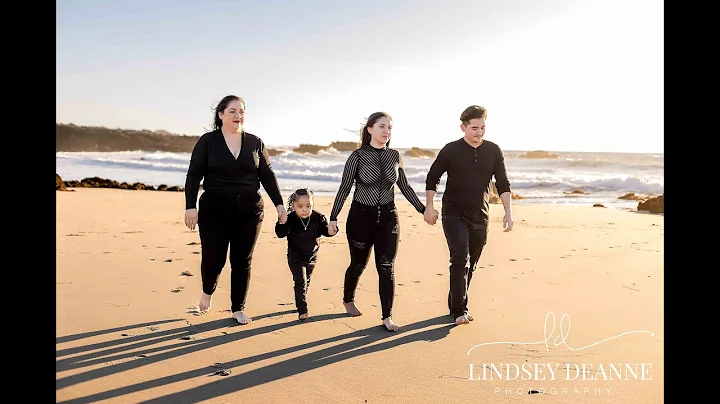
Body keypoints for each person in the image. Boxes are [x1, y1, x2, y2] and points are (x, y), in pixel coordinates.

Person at [183, 95, 287, 325]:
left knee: (242, 260)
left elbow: (267, 176)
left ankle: (238, 308)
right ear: (220, 115)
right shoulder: (207, 142)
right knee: (214, 257)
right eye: (232, 111)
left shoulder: (255, 142)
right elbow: (193, 175)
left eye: (241, 111)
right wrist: (190, 206)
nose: (237, 116)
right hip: (214, 208)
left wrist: (279, 204)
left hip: (249, 210)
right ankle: (207, 293)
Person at [328, 112, 427, 332]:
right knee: (358, 264)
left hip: (388, 218)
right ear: (370, 129)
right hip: (361, 218)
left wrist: (423, 209)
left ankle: (387, 316)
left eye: (389, 128)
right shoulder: (358, 156)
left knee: (386, 266)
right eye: (382, 127)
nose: (386, 131)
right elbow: (344, 188)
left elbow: (405, 187)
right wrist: (333, 217)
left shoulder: (394, 156)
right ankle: (348, 298)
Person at [423, 105, 514, 326]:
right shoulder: (451, 150)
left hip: (480, 215)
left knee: (471, 264)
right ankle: (459, 310)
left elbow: (502, 182)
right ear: (463, 127)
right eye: (474, 128)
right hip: (454, 213)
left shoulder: (493, 150)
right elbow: (432, 177)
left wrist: (508, 212)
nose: (479, 132)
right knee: (460, 259)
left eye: (482, 128)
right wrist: (429, 206)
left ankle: (455, 300)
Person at [274, 188, 333, 320]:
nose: (304, 210)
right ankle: (302, 309)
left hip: (312, 256)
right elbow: (280, 234)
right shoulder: (290, 219)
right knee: (300, 281)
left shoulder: (318, 218)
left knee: (306, 280)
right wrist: (281, 223)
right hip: (295, 256)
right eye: (300, 206)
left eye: (308, 206)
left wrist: (331, 230)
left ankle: (300, 298)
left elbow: (326, 231)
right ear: (293, 206)